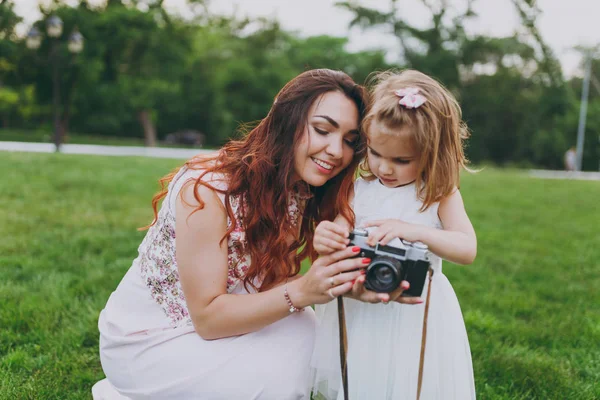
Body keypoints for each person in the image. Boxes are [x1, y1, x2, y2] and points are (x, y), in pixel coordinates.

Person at [92, 69, 373, 400]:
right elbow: (209, 319)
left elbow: (268, 286)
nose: (336, 151)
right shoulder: (207, 189)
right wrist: (301, 291)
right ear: (286, 122)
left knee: (306, 336)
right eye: (322, 130)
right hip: (150, 339)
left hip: (219, 327)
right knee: (278, 373)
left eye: (349, 141)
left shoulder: (297, 189)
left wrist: (341, 285)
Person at [310, 70, 477, 400]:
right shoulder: (359, 189)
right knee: (361, 378)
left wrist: (415, 231)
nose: (384, 168)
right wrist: (325, 236)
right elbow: (338, 232)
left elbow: (467, 248)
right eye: (375, 153)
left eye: (401, 160)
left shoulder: (438, 193)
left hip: (417, 311)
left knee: (410, 381)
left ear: (432, 154)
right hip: (363, 306)